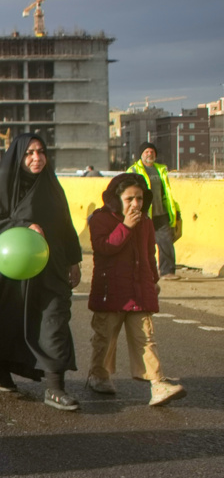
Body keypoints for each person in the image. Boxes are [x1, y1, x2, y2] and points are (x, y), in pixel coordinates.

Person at [0, 134, 83, 410]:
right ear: (18, 157)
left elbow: (65, 224)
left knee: (53, 321)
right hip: (13, 272)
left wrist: (73, 260)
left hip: (50, 267)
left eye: (41, 152)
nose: (37, 158)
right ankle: (0, 370)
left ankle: (55, 387)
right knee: (5, 321)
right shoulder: (3, 183)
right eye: (29, 153)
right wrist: (22, 225)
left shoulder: (51, 186)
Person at [86, 174, 186, 407]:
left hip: (138, 291)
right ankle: (99, 375)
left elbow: (149, 254)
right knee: (105, 338)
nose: (135, 204)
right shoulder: (100, 219)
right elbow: (104, 247)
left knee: (145, 337)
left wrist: (154, 280)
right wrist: (126, 227)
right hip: (110, 292)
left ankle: (157, 384)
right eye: (129, 198)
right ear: (116, 199)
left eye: (139, 198)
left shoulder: (146, 222)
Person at [126, 143, 182, 280]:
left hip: (161, 213)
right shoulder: (133, 170)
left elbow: (167, 192)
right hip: (143, 214)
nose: (149, 154)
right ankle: (139, 271)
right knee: (141, 244)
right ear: (141, 154)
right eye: (147, 152)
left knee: (166, 242)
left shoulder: (161, 170)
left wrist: (175, 210)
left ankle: (167, 272)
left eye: (152, 152)